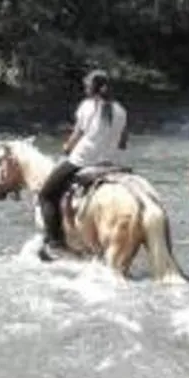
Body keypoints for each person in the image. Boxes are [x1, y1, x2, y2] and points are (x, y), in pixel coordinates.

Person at [35, 69, 128, 259]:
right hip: (109, 162)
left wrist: (67, 147)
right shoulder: (121, 110)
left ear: (93, 88)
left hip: (82, 160)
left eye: (87, 85)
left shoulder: (87, 106)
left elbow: (77, 135)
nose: (85, 88)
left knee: (46, 195)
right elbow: (123, 143)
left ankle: (55, 242)